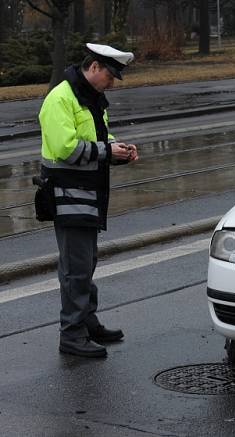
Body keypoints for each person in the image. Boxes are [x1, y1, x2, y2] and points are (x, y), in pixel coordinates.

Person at [37, 43, 138, 358]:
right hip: (67, 196)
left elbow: (97, 138)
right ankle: (72, 334)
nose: (111, 83)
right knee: (76, 269)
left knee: (85, 263)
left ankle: (86, 322)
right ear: (94, 67)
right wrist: (107, 152)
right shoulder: (61, 98)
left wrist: (117, 149)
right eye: (109, 76)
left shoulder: (91, 98)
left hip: (86, 195)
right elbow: (67, 148)